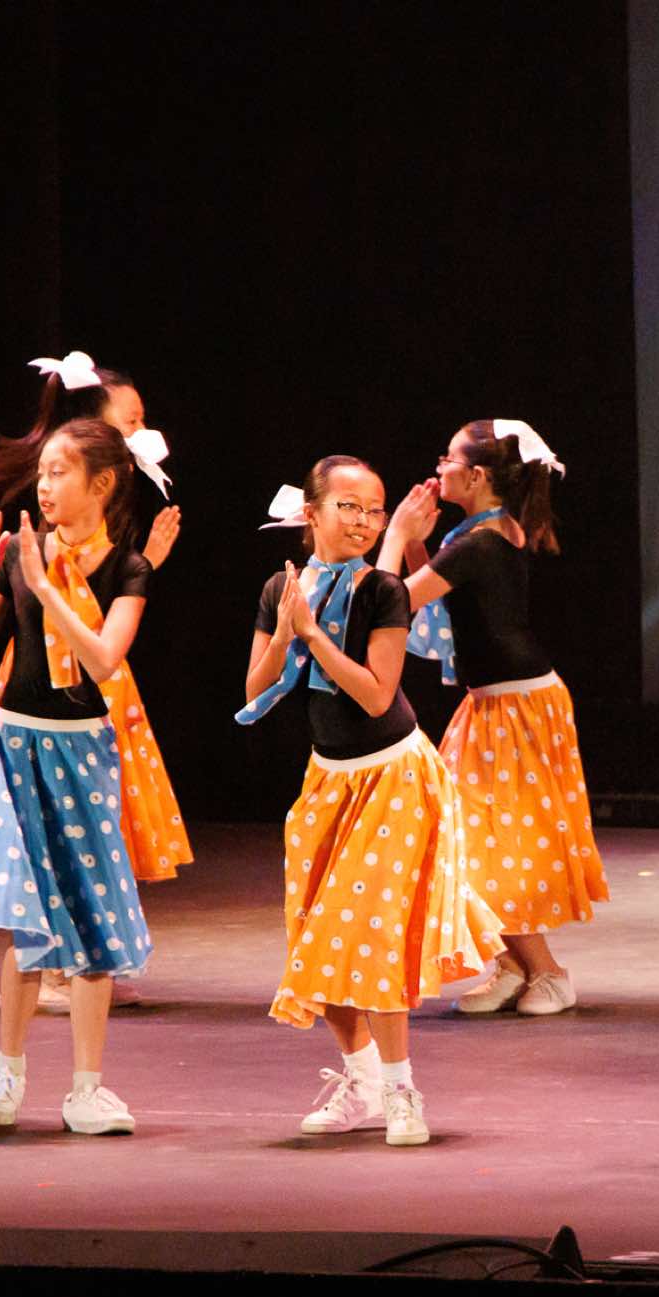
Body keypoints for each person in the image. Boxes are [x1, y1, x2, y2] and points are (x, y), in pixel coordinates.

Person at [0, 418, 155, 1135]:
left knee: (90, 919)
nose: (44, 486)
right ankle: (6, 1076)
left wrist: (47, 588)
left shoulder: (125, 567)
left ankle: (86, 1090)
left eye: (59, 472)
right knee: (25, 918)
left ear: (102, 484)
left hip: (82, 753)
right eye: (41, 473)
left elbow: (104, 659)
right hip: (14, 747)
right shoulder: (20, 552)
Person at [242, 457, 504, 1146]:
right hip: (329, 781)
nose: (362, 521)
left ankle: (400, 1090)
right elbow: (256, 690)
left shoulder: (383, 590)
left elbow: (376, 694)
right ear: (312, 513)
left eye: (373, 509)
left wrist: (314, 635)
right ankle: (360, 1080)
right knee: (317, 941)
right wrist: (289, 628)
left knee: (374, 939)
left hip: (394, 778)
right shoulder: (280, 589)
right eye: (348, 506)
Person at [375, 419, 607, 1017]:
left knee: (491, 842)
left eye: (448, 460)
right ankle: (512, 965)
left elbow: (393, 601)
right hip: (497, 703)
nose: (439, 467)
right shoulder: (482, 531)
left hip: (515, 708)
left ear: (477, 476)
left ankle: (548, 971)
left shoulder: (480, 542)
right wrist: (421, 542)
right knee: (463, 835)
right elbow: (446, 590)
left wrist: (397, 535)